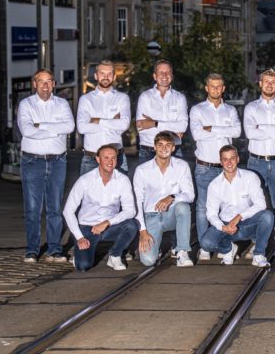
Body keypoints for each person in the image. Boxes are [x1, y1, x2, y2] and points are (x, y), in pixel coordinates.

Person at [16, 68, 75, 263]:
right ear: (35, 84)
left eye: (48, 81)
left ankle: (55, 249)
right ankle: (32, 250)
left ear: (54, 84)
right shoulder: (26, 104)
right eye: (41, 81)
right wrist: (54, 129)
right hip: (33, 161)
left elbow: (69, 127)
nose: (45, 85)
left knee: (55, 208)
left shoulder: (62, 103)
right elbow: (26, 130)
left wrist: (40, 125)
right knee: (33, 208)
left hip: (57, 160)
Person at [189, 73, 242, 259]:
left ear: (223, 88)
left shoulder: (231, 111)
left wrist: (211, 128)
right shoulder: (197, 110)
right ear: (206, 88)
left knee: (228, 207)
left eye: (219, 86)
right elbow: (196, 134)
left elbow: (237, 131)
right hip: (205, 166)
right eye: (212, 86)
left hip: (226, 168)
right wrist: (221, 132)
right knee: (204, 208)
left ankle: (223, 244)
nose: (216, 90)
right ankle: (205, 246)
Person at [62, 145, 139, 271]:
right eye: (106, 157)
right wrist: (79, 237)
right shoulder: (85, 180)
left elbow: (130, 210)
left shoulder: (122, 180)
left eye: (113, 158)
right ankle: (80, 252)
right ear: (98, 159)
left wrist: (107, 222)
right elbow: (68, 211)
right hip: (88, 228)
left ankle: (115, 255)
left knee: (131, 225)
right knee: (83, 266)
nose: (110, 161)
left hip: (110, 227)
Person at [198, 145, 274, 267]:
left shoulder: (250, 177)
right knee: (206, 243)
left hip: (248, 222)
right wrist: (222, 227)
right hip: (227, 224)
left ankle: (259, 254)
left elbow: (261, 204)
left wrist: (239, 216)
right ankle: (228, 249)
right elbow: (211, 213)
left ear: (238, 159)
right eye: (225, 159)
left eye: (232, 158)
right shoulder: (214, 185)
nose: (229, 162)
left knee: (267, 216)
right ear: (221, 161)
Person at [134, 131, 195, 267]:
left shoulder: (182, 166)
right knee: (148, 260)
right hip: (151, 216)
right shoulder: (142, 170)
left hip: (171, 215)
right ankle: (157, 248)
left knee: (183, 207)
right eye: (160, 145)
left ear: (173, 148)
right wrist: (142, 231)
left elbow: (190, 195)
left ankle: (182, 251)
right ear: (154, 147)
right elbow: (137, 201)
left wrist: (172, 197)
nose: (164, 148)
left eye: (168, 145)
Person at [243, 69, 275, 210]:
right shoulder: (251, 107)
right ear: (260, 84)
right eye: (266, 81)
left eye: (273, 82)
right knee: (253, 205)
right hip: (255, 163)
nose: (269, 85)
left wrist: (261, 127)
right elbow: (250, 133)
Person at [77, 60, 131, 174]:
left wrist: (96, 121)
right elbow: (82, 127)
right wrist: (113, 123)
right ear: (96, 76)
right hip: (91, 159)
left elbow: (124, 124)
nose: (105, 77)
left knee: (120, 191)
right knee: (89, 192)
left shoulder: (122, 98)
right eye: (102, 73)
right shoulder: (86, 100)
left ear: (114, 76)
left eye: (109, 74)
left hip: (117, 158)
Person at [135, 60, 188, 161]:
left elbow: (183, 126)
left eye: (168, 72)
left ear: (172, 76)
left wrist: (154, 123)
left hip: (174, 151)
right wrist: (173, 131)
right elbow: (141, 127)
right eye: (161, 72)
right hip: (148, 152)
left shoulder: (180, 98)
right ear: (155, 76)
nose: (164, 75)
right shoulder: (145, 97)